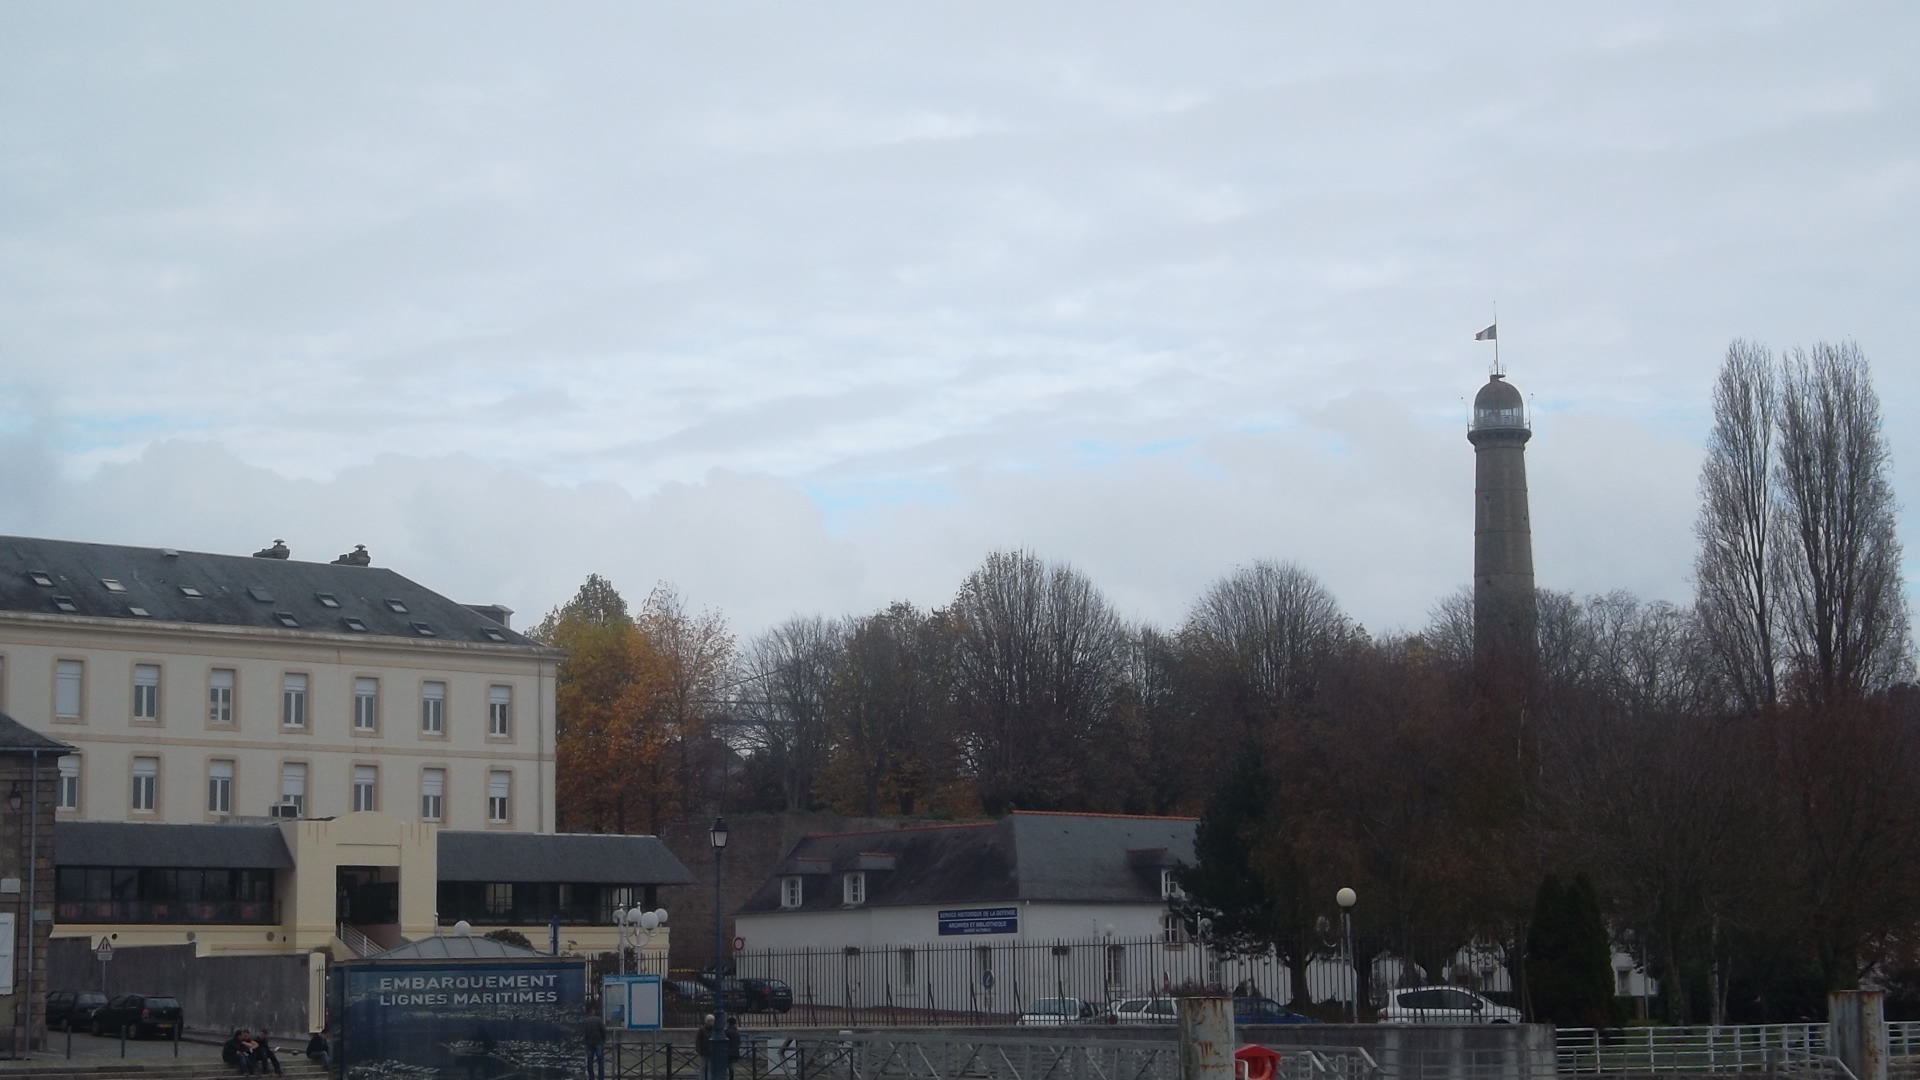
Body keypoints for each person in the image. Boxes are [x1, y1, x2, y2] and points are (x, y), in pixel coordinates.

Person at [583, 1001, 607, 1080]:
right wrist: (603, 1040)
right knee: (600, 1062)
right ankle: (601, 1078)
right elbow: (603, 1031)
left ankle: (591, 1077)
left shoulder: (585, 1021)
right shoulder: (598, 1020)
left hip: (589, 1043)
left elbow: (584, 1032)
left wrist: (585, 1041)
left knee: (590, 1062)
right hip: (598, 1042)